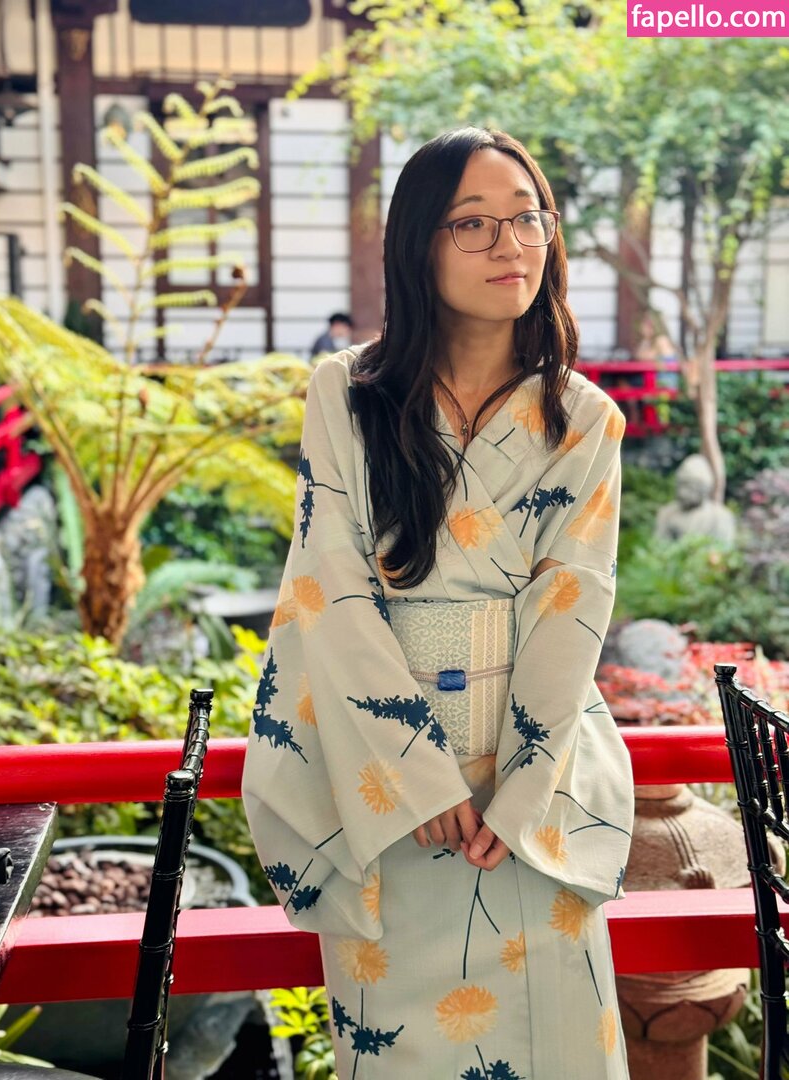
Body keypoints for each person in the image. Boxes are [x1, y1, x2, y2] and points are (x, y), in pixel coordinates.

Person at [242, 127, 633, 1079]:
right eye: (474, 223)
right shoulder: (348, 394)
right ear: (418, 243)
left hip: (528, 793)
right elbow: (330, 587)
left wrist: (523, 793)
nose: (511, 245)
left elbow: (573, 605)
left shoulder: (584, 417)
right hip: (387, 789)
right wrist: (412, 777)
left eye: (528, 219)